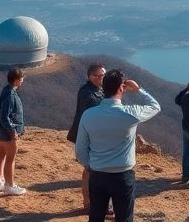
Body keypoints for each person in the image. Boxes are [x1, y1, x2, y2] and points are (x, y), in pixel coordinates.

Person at [75, 69, 161, 222]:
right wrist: (138, 90)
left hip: (97, 173)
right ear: (121, 88)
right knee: (124, 218)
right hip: (122, 175)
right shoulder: (130, 113)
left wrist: (89, 164)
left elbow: (80, 148)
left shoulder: (88, 115)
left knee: (96, 217)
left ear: (103, 88)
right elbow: (155, 107)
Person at [68, 63, 107, 212]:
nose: (99, 78)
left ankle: (91, 203)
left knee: (92, 171)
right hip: (87, 137)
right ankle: (90, 204)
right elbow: (93, 117)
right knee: (91, 171)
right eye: (96, 75)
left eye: (102, 75)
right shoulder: (86, 93)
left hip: (94, 136)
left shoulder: (100, 90)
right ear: (89, 76)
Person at [0, 67, 28, 196]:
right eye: (21, 79)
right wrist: (12, 130)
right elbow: (4, 116)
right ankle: (10, 186)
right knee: (10, 159)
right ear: (16, 80)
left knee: (1, 155)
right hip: (8, 134)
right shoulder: (11, 96)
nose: (22, 82)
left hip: (0, 132)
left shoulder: (5, 91)